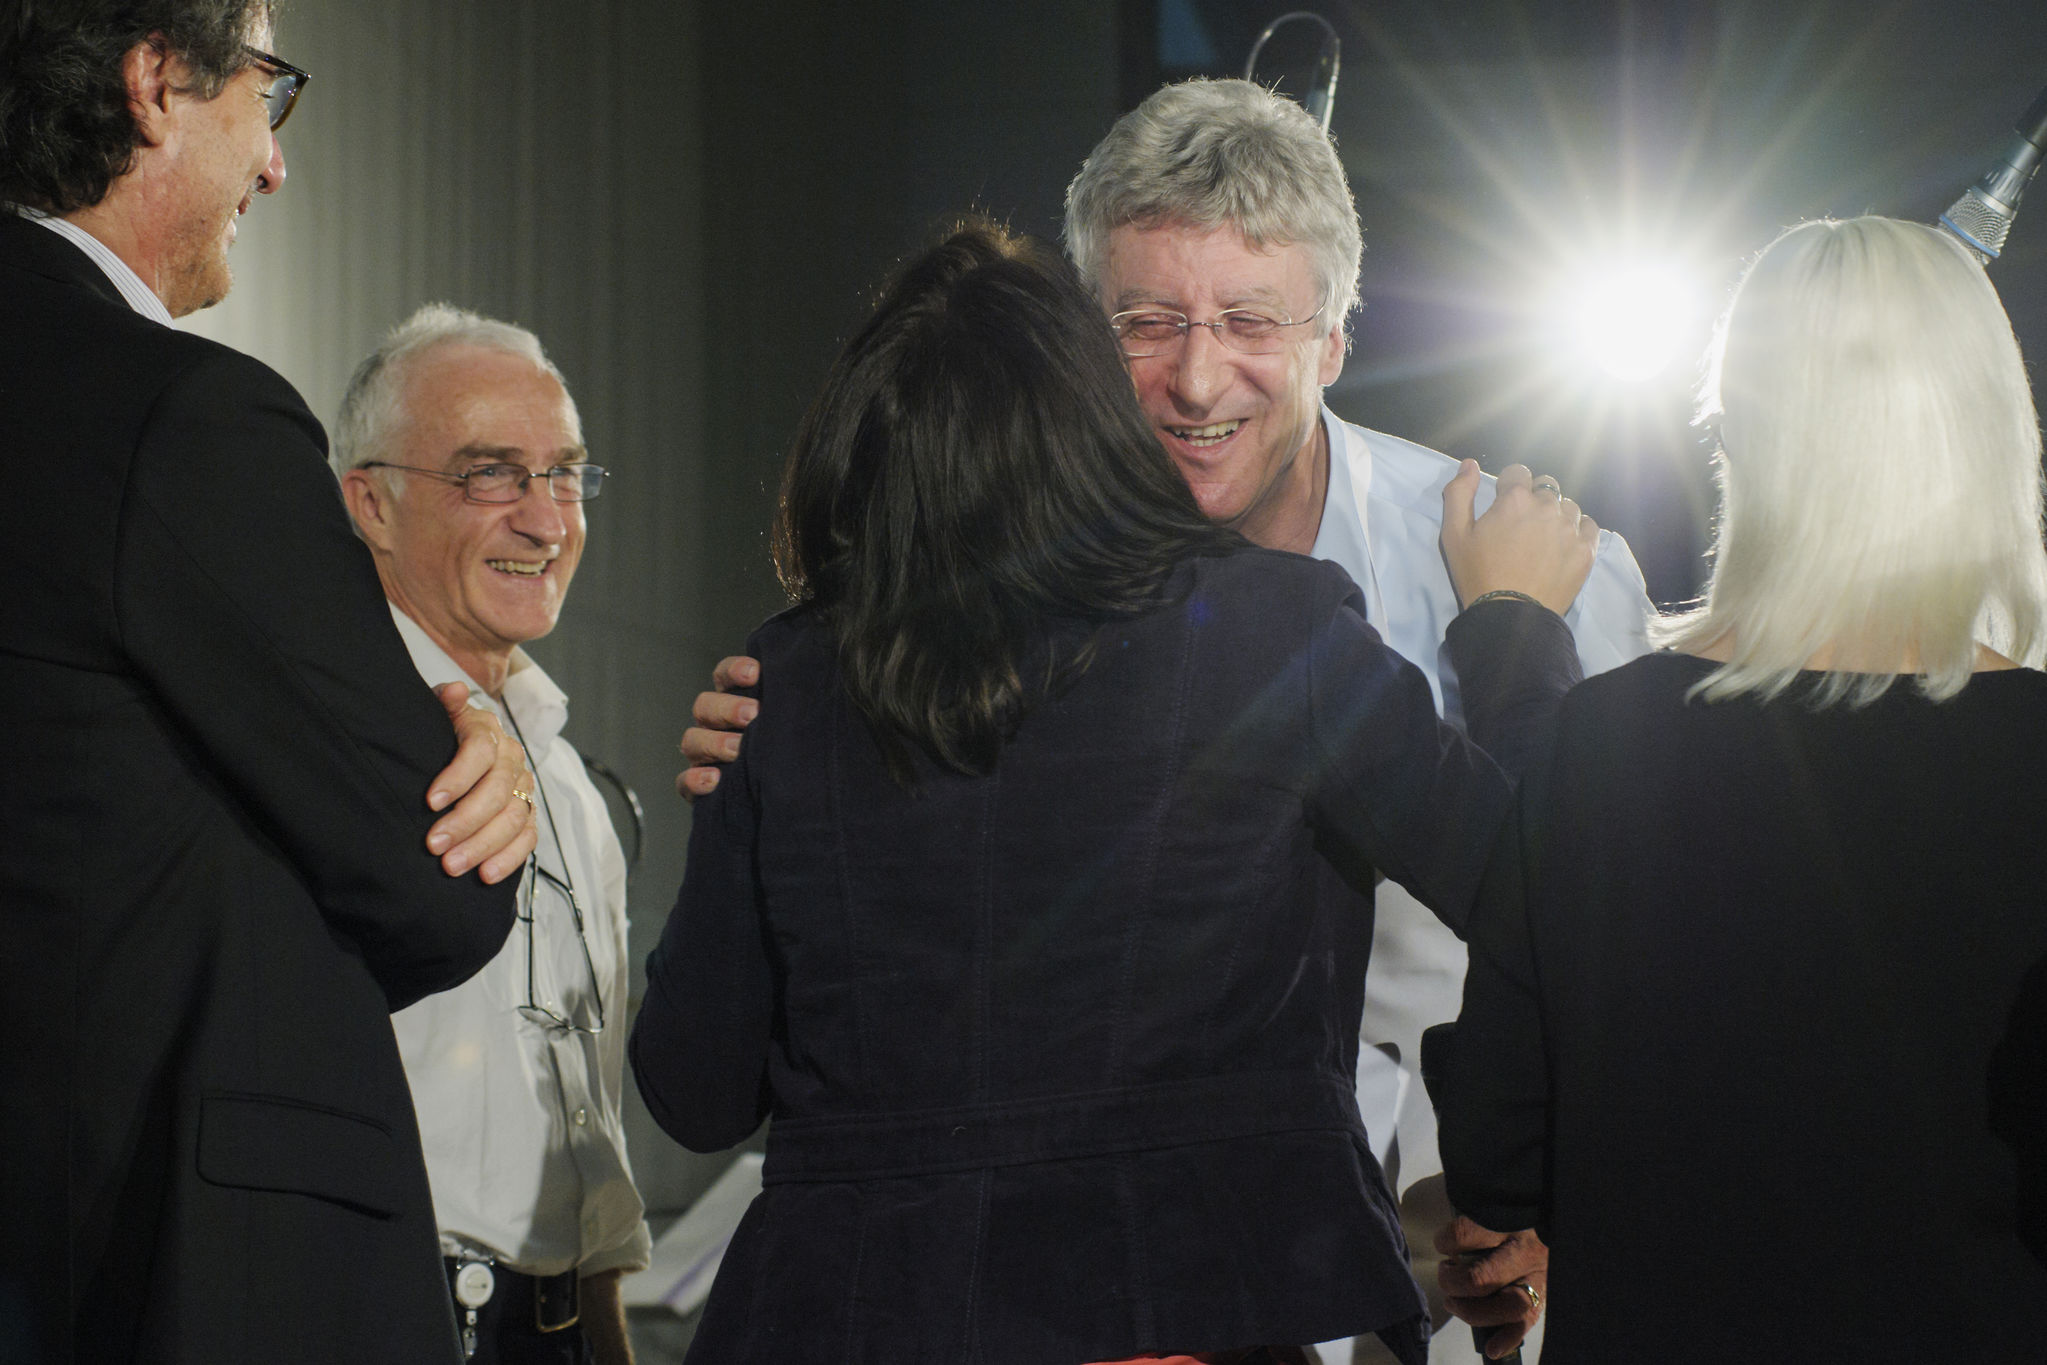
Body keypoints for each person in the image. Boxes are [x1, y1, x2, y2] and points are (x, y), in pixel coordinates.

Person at [678, 77, 1655, 1360]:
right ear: (1077, 344)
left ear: (1334, 341)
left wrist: (1521, 1180)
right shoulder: (924, 613)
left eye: (1249, 319)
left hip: (1414, 1266)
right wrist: (758, 773)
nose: (1198, 378)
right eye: (1146, 323)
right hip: (1179, 1287)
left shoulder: (1540, 571)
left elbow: (1595, 925)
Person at [0, 4, 538, 1361]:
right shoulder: (177, 417)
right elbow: (434, 886)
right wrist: (470, 735)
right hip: (185, 1270)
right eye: (266, 91)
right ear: (155, 84)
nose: (278, 163)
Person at [1439, 216, 2047, 1362]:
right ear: (1990, 433)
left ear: (1740, 435)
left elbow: (1498, 1153)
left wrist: (1511, 646)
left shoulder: (1601, 742)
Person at [334, 305, 653, 1365]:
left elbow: (588, 1131)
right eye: (491, 475)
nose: (547, 520)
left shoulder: (572, 787)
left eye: (564, 474)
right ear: (369, 503)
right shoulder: (323, 754)